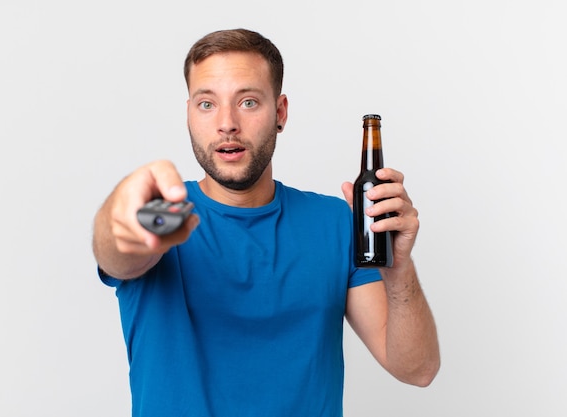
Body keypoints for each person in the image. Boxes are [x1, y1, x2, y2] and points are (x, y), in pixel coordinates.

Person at [92, 28, 440, 417]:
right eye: (207, 104)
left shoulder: (335, 222)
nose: (227, 123)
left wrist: (400, 266)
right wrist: (123, 218)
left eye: (248, 101)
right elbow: (119, 249)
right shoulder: (166, 215)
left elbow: (418, 369)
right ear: (189, 113)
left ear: (280, 113)